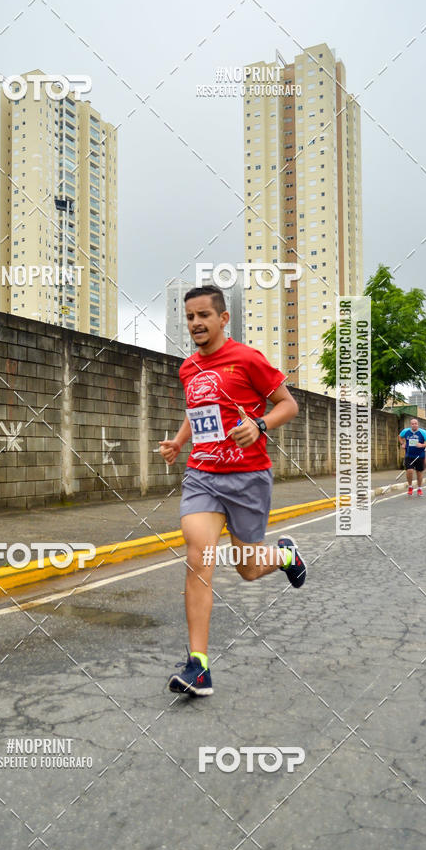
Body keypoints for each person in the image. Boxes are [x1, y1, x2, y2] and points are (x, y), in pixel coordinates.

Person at [159, 285, 306, 697]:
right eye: (190, 317)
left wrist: (259, 424)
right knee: (198, 557)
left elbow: (287, 405)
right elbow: (197, 412)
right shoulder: (188, 368)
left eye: (204, 315)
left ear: (223, 319)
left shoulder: (247, 359)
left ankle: (284, 555)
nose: (196, 324)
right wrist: (178, 441)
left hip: (247, 478)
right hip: (203, 475)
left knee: (248, 568)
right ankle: (198, 666)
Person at [399, 417, 426, 496]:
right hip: (409, 455)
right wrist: (402, 444)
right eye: (412, 424)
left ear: (418, 424)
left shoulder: (423, 432)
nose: (414, 425)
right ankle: (410, 487)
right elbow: (399, 437)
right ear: (410, 425)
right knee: (409, 471)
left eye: (415, 424)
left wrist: (422, 445)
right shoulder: (406, 431)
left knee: (419, 473)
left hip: (419, 456)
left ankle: (419, 488)